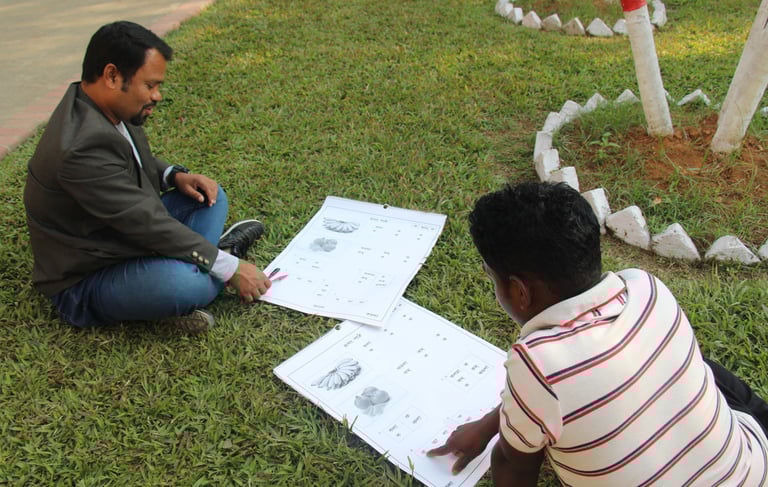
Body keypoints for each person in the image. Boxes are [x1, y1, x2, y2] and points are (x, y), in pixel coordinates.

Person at [428, 181, 768, 485]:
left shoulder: (536, 360)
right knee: (699, 367)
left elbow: (512, 464)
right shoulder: (647, 288)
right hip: (752, 472)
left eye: (492, 278)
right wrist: (488, 426)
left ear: (519, 292)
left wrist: (495, 438)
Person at [23, 21, 271, 333]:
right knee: (184, 286)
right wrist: (231, 269)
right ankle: (216, 260)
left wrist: (173, 176)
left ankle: (204, 262)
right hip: (88, 276)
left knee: (209, 197)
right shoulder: (79, 149)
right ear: (112, 75)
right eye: (150, 85)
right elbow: (147, 224)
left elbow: (128, 158)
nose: (157, 95)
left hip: (122, 236)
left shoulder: (99, 103)